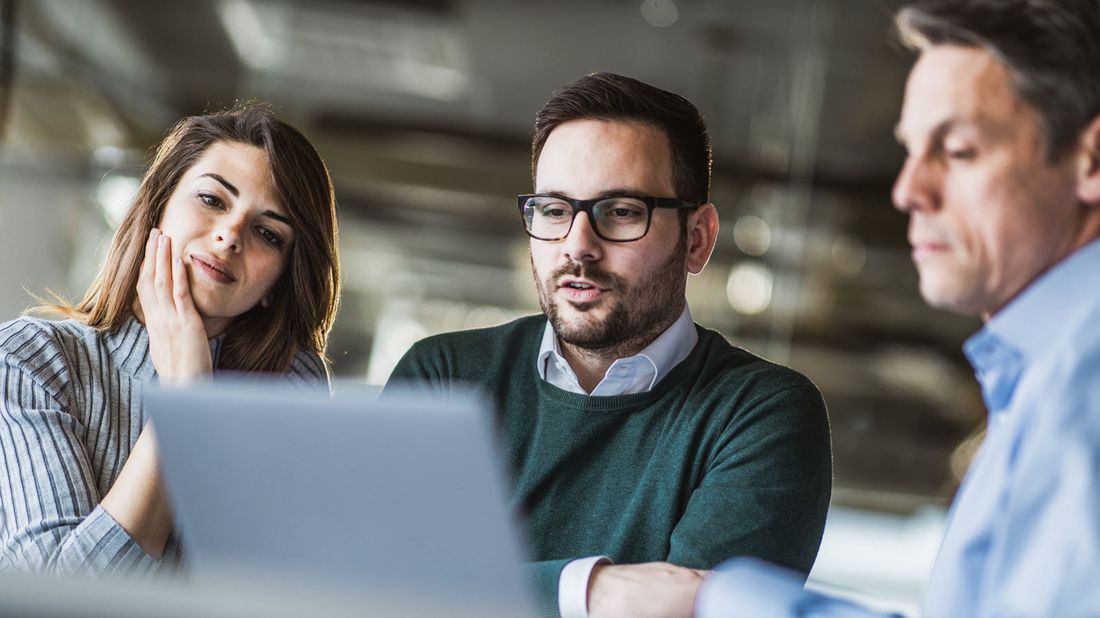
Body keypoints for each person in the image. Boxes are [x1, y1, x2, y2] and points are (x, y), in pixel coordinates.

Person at [696, 1, 1100, 616]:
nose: (908, 190)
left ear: (1090, 162)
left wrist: (716, 603)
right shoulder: (1040, 377)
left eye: (958, 150)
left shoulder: (1085, 382)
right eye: (911, 150)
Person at [385, 72, 832, 618]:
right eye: (553, 210)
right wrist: (592, 591)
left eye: (620, 212)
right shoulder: (445, 376)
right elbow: (372, 588)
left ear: (697, 239)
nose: (578, 246)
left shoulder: (760, 414)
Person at [0, 104, 341, 575]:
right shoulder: (29, 359)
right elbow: (60, 596)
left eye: (268, 232)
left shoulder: (290, 390)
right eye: (212, 200)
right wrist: (185, 397)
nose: (229, 236)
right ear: (157, 207)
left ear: (278, 283)